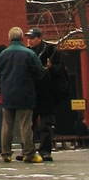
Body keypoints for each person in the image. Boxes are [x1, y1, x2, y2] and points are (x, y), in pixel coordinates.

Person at [0, 26, 46, 163]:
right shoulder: (29, 53)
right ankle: (29, 154)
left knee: (7, 125)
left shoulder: (3, 54)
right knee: (26, 125)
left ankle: (6, 153)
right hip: (25, 93)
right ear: (22, 37)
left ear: (9, 38)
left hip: (8, 93)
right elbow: (40, 73)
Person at [33, 48, 70, 161]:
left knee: (40, 125)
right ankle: (38, 151)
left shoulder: (54, 66)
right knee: (39, 125)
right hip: (45, 99)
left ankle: (38, 150)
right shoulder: (59, 67)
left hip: (44, 98)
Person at [26, 27, 58, 161]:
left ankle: (45, 150)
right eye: (28, 38)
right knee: (28, 123)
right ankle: (28, 150)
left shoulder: (51, 50)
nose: (30, 41)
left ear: (40, 38)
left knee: (46, 124)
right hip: (31, 91)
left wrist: (51, 68)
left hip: (47, 92)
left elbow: (59, 70)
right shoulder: (26, 53)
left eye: (32, 38)